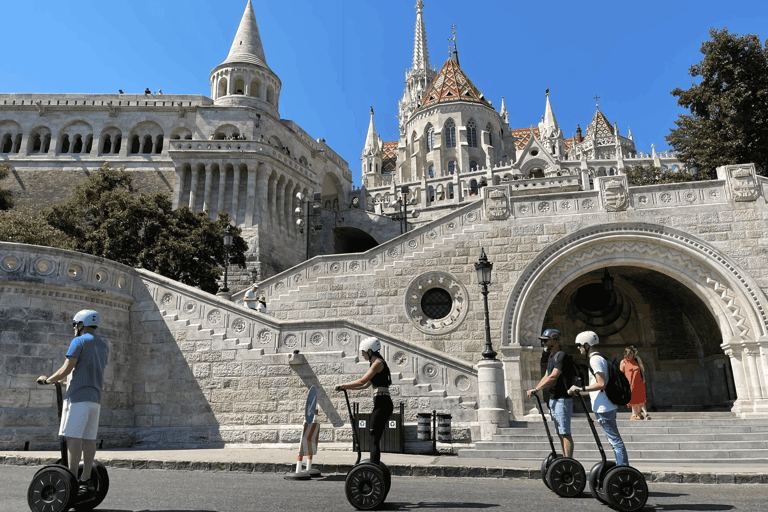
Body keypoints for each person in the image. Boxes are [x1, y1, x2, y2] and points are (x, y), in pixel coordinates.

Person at [37, 310, 109, 495]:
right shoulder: (103, 345)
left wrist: (48, 380)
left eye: (75, 324)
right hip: (94, 400)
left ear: (81, 324)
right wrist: (61, 381)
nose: (74, 328)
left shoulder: (79, 341)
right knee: (89, 440)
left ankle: (70, 480)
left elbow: (66, 369)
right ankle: (86, 480)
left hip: (77, 399)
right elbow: (87, 371)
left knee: (73, 438)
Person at [568, 331, 628, 466]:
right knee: (614, 440)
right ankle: (622, 468)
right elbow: (596, 388)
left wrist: (580, 388)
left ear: (587, 345)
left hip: (604, 406)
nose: (578, 348)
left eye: (579, 345)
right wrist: (578, 391)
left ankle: (623, 468)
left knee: (615, 441)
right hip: (603, 405)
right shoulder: (598, 358)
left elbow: (601, 384)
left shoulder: (594, 360)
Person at [335, 337, 393, 464]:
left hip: (382, 403)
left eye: (363, 352)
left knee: (373, 438)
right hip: (381, 402)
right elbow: (364, 385)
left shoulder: (378, 363)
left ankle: (373, 468)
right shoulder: (375, 363)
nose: (362, 355)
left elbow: (362, 381)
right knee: (373, 437)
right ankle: (374, 467)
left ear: (370, 351)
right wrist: (350, 389)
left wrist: (343, 385)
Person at [527, 328, 575, 458]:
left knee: (565, 433)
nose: (543, 344)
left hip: (562, 399)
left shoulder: (561, 356)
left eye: (546, 341)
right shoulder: (551, 357)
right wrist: (535, 388)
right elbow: (546, 375)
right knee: (560, 432)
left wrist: (537, 389)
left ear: (554, 340)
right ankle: (565, 459)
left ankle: (568, 461)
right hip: (554, 399)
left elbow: (554, 376)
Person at [621, 345, 650, 420]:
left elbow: (642, 369)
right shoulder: (623, 362)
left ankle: (638, 414)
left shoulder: (636, 359)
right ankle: (635, 415)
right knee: (633, 399)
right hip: (629, 383)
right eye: (628, 354)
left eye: (631, 354)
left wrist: (643, 377)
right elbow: (621, 374)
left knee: (640, 399)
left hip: (638, 382)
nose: (630, 355)